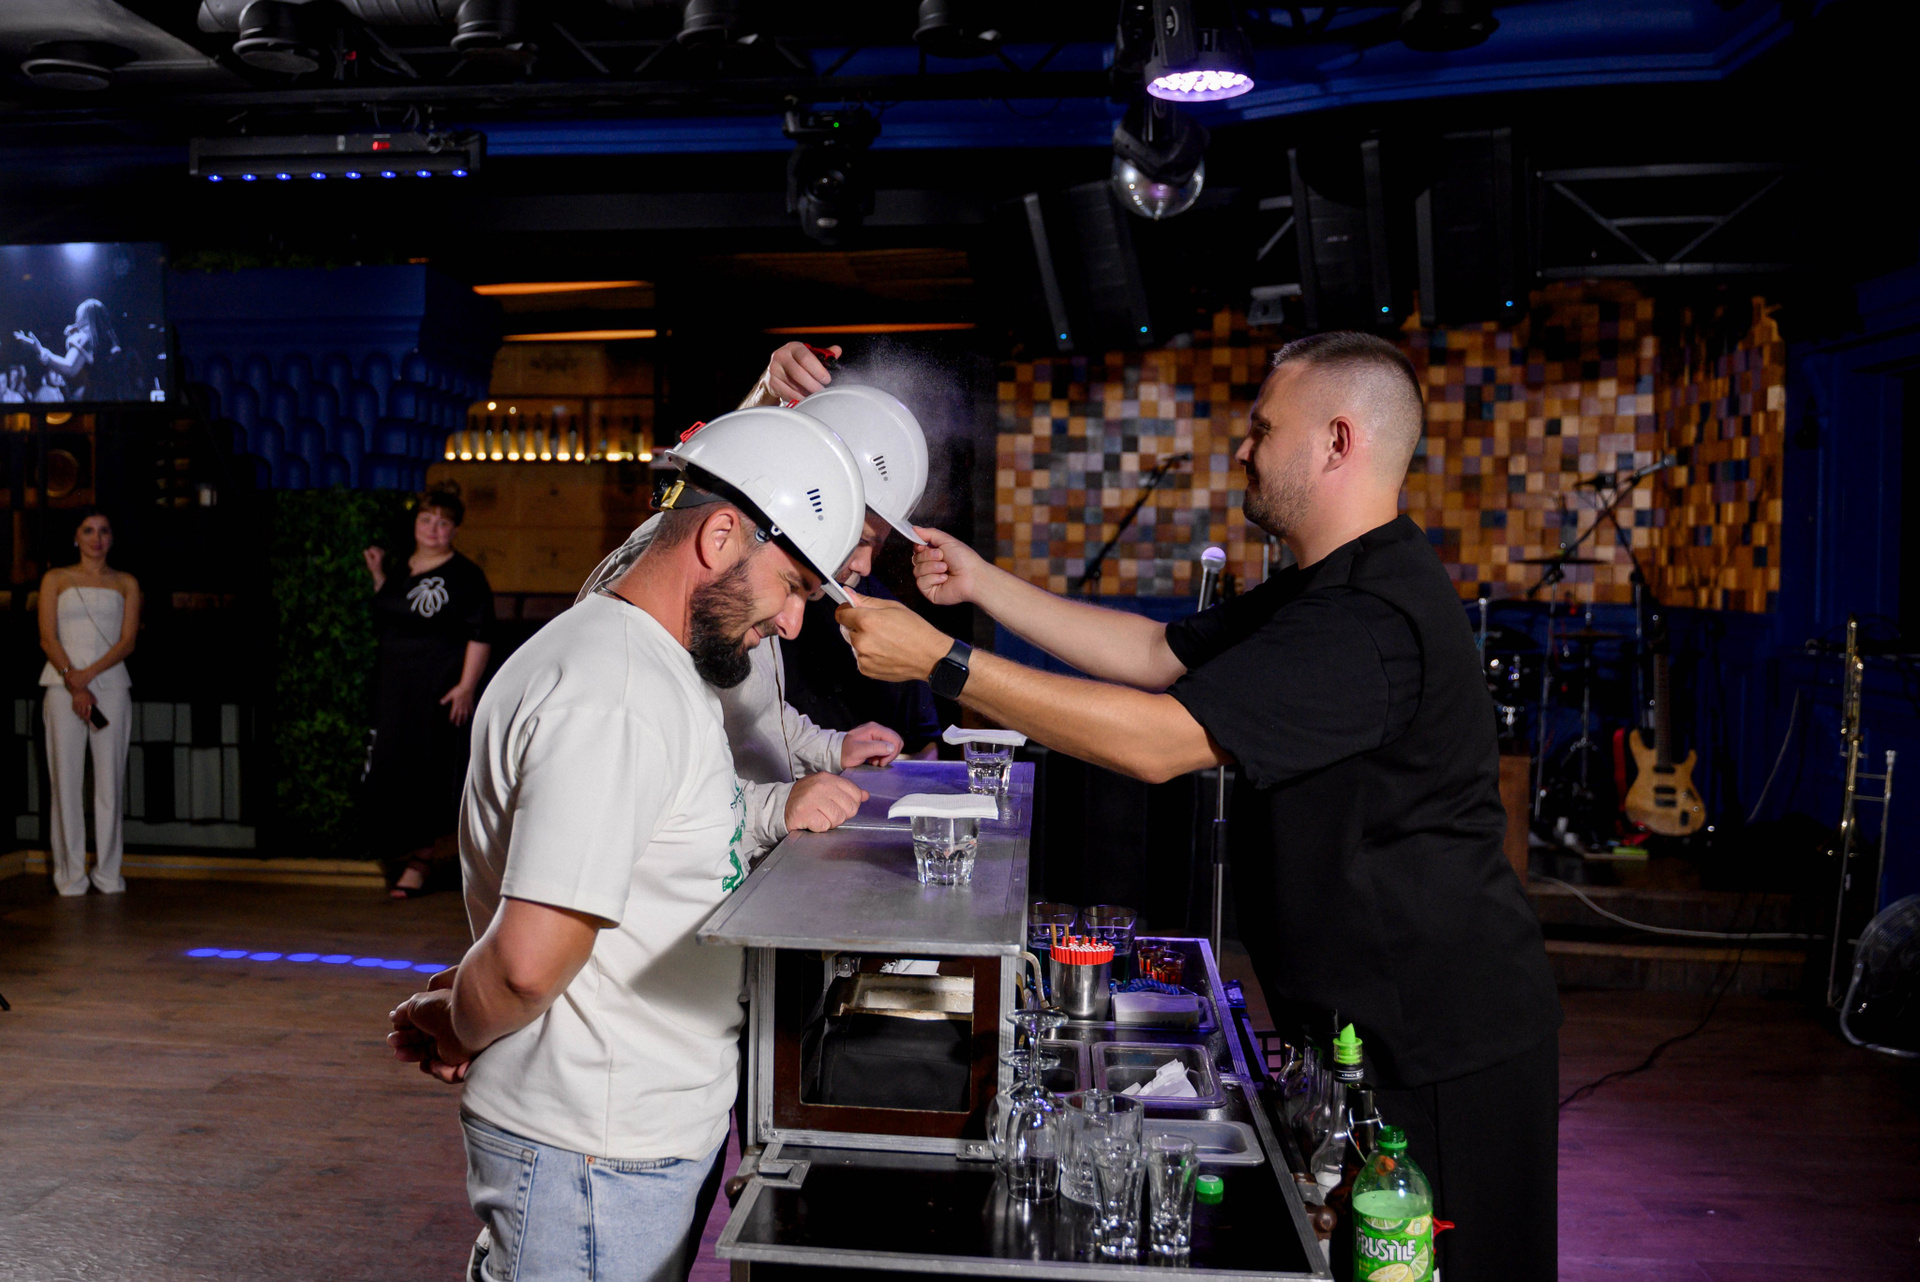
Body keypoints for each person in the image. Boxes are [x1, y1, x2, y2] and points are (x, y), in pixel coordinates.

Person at [836, 332, 1562, 1282]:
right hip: (1364, 1029)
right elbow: (1155, 654)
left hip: (1437, 1045)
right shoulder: (1322, 589)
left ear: (1338, 441)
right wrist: (980, 584)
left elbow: (1157, 741)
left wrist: (944, 661)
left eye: (1264, 428)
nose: (1244, 449)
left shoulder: (1370, 621)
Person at [387, 407, 871, 1282]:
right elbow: (525, 966)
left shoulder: (650, 665)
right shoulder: (614, 690)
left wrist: (462, 1000)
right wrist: (459, 1025)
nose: (795, 624)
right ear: (720, 537)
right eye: (795, 586)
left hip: (623, 1139)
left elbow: (637, 865)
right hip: (591, 1151)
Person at [577, 342, 941, 782]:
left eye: (875, 547)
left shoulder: (761, 571)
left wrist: (831, 748)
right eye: (859, 538)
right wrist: (764, 397)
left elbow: (753, 710)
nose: (863, 565)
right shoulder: (706, 569)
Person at [363, 488, 493, 898]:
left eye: (443, 523)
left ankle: (420, 862)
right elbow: (393, 611)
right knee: (391, 767)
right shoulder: (401, 566)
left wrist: (466, 687)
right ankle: (400, 850)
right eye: (426, 520)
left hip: (436, 690)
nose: (433, 529)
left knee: (425, 772)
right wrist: (379, 576)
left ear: (454, 529)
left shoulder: (466, 576)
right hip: (393, 689)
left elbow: (480, 632)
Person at [37, 507, 141, 896]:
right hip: (61, 686)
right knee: (65, 782)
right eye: (88, 530)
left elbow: (127, 642)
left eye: (104, 531)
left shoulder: (127, 582)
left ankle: (108, 873)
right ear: (75, 537)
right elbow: (48, 638)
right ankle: (69, 875)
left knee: (109, 784)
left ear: (112, 538)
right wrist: (74, 682)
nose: (97, 538)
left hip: (111, 688)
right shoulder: (56, 579)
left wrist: (89, 675)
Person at [13, 298, 118, 402]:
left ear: (83, 316)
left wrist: (39, 349)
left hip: (96, 395)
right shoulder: (110, 337)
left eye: (77, 315)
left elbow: (69, 368)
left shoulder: (85, 337)